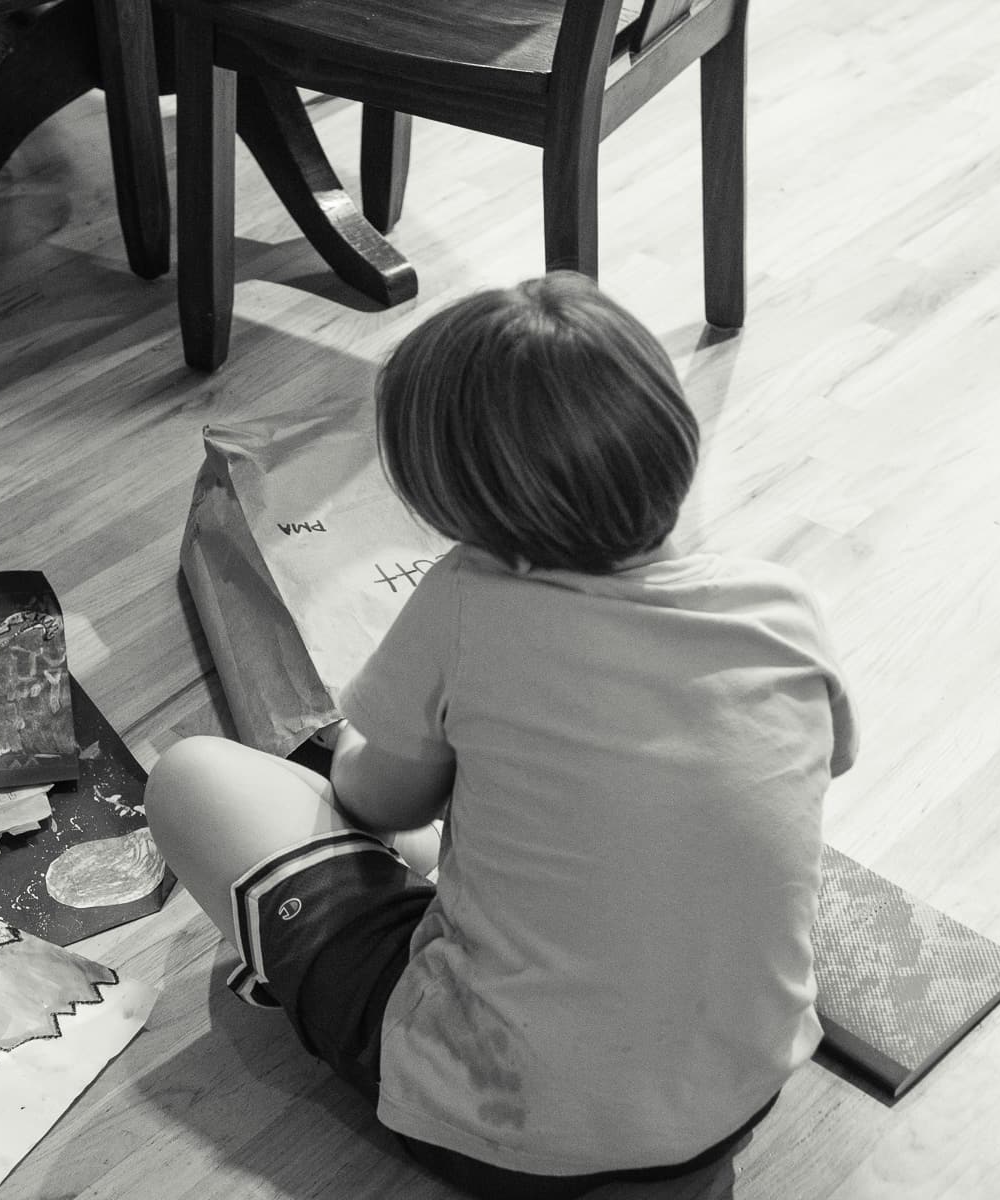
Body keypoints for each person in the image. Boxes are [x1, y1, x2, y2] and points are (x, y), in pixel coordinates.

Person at [145, 271, 857, 1199]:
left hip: (501, 1129)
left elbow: (377, 801)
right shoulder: (780, 606)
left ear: (454, 514)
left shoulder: (466, 603)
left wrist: (364, 757)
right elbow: (818, 763)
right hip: (741, 1093)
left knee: (193, 777)